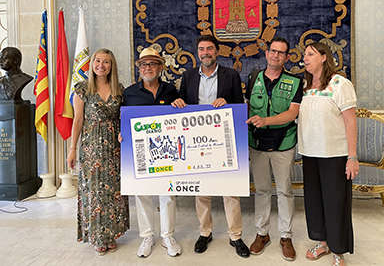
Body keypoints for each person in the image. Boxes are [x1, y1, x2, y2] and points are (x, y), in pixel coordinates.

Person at [171, 34, 250, 258]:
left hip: (224, 141)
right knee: (201, 190)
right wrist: (177, 102)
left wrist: (228, 103)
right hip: (196, 141)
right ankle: (205, 232)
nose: (205, 53)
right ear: (198, 53)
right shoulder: (188, 76)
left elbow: (239, 106)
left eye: (209, 49)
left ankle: (235, 235)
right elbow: (181, 102)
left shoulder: (231, 75)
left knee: (229, 190)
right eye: (201, 49)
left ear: (217, 52)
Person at [298, 42, 358, 266]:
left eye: (311, 54)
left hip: (334, 154)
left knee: (335, 202)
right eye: (305, 54)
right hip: (309, 152)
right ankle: (322, 242)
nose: (305, 58)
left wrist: (352, 157)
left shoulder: (340, 84)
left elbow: (350, 121)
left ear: (324, 57)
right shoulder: (304, 84)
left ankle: (338, 250)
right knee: (314, 201)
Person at [66, 48, 129, 256]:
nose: (101, 65)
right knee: (94, 192)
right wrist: (73, 149)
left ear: (112, 66)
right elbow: (78, 120)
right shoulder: (83, 89)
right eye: (98, 61)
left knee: (113, 192)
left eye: (106, 62)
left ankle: (112, 234)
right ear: (92, 63)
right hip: (92, 146)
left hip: (115, 147)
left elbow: (123, 117)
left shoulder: (119, 88)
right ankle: (97, 237)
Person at [245, 37, 303, 260]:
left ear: (286, 57)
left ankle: (286, 237)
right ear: (266, 53)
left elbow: (292, 113)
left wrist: (266, 121)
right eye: (272, 51)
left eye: (281, 52)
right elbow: (247, 107)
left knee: (284, 191)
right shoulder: (252, 78)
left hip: (284, 143)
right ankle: (262, 234)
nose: (276, 55)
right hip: (257, 143)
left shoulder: (296, 82)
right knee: (261, 190)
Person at [121, 47, 181, 258]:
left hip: (166, 149)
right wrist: (122, 133)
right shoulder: (129, 93)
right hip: (140, 152)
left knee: (167, 194)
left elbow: (180, 118)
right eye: (144, 64)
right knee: (143, 193)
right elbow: (123, 119)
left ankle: (167, 235)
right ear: (139, 68)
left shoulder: (171, 90)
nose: (148, 68)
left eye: (153, 64)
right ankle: (147, 236)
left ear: (161, 67)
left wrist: (179, 105)